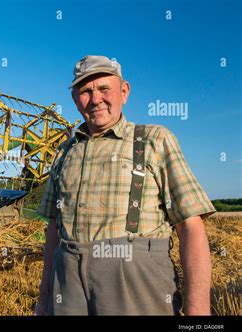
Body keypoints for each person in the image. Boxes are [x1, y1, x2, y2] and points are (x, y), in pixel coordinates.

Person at [34, 55, 215, 315]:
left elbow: (190, 226)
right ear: (75, 100)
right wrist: (44, 299)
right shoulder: (64, 152)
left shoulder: (154, 139)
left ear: (124, 91)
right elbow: (53, 229)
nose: (95, 99)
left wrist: (198, 311)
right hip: (67, 281)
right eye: (85, 91)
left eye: (104, 88)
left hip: (134, 280)